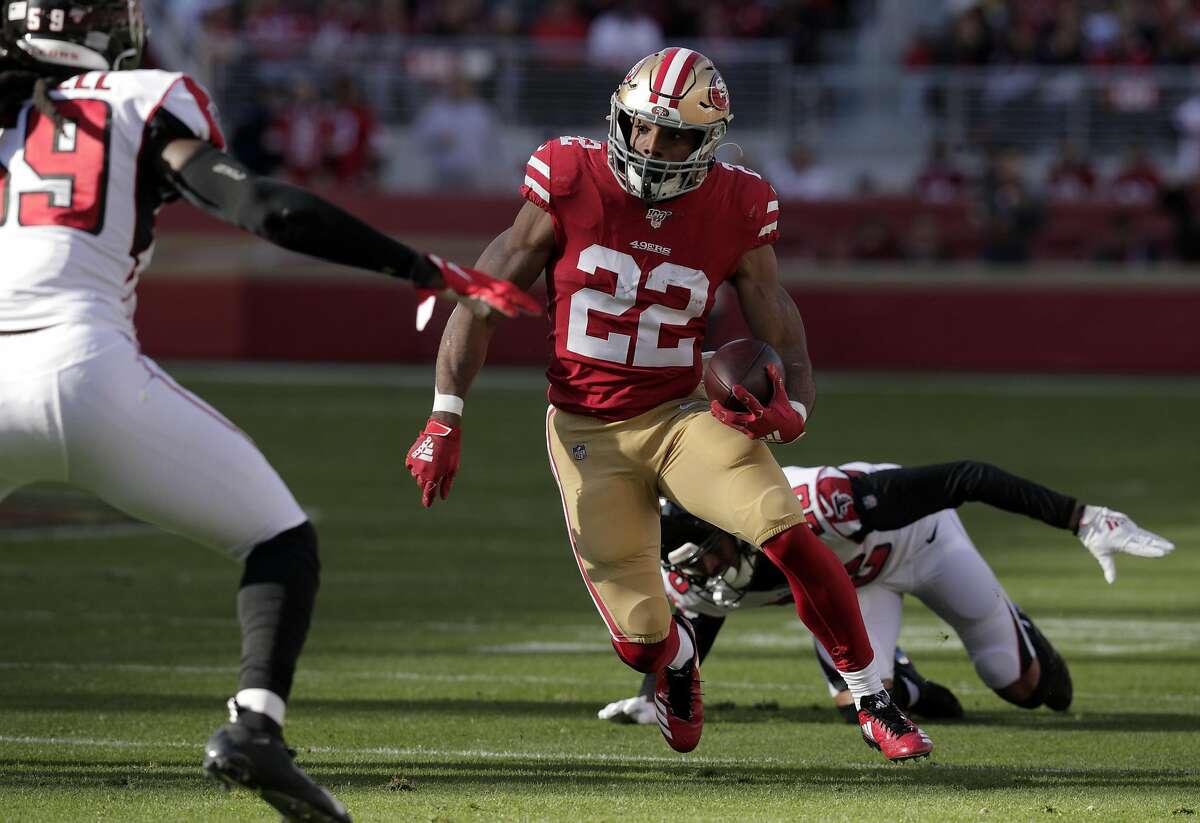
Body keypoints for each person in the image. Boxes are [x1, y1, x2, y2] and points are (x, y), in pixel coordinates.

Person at [0, 3, 539, 822]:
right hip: (85, 364)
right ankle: (255, 727)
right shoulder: (143, 99)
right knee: (279, 538)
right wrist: (422, 267)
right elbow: (266, 208)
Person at [406, 47, 932, 762]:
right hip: (588, 430)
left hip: (682, 416)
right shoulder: (568, 176)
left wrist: (795, 412)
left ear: (709, 140)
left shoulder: (738, 203)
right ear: (619, 118)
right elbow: (483, 298)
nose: (654, 147)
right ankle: (677, 657)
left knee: (788, 531)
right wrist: (445, 413)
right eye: (643, 127)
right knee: (638, 639)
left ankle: (874, 696)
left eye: (676, 134)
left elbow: (780, 324)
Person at [597, 460, 1174, 725]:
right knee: (869, 708)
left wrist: (1081, 519)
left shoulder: (819, 504)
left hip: (923, 546)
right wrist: (655, 697)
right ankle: (909, 685)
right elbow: (698, 623)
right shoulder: (699, 574)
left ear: (729, 526)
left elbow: (965, 479)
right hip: (854, 586)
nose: (708, 572)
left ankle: (1011, 629)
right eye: (694, 565)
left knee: (1026, 689)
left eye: (710, 555)